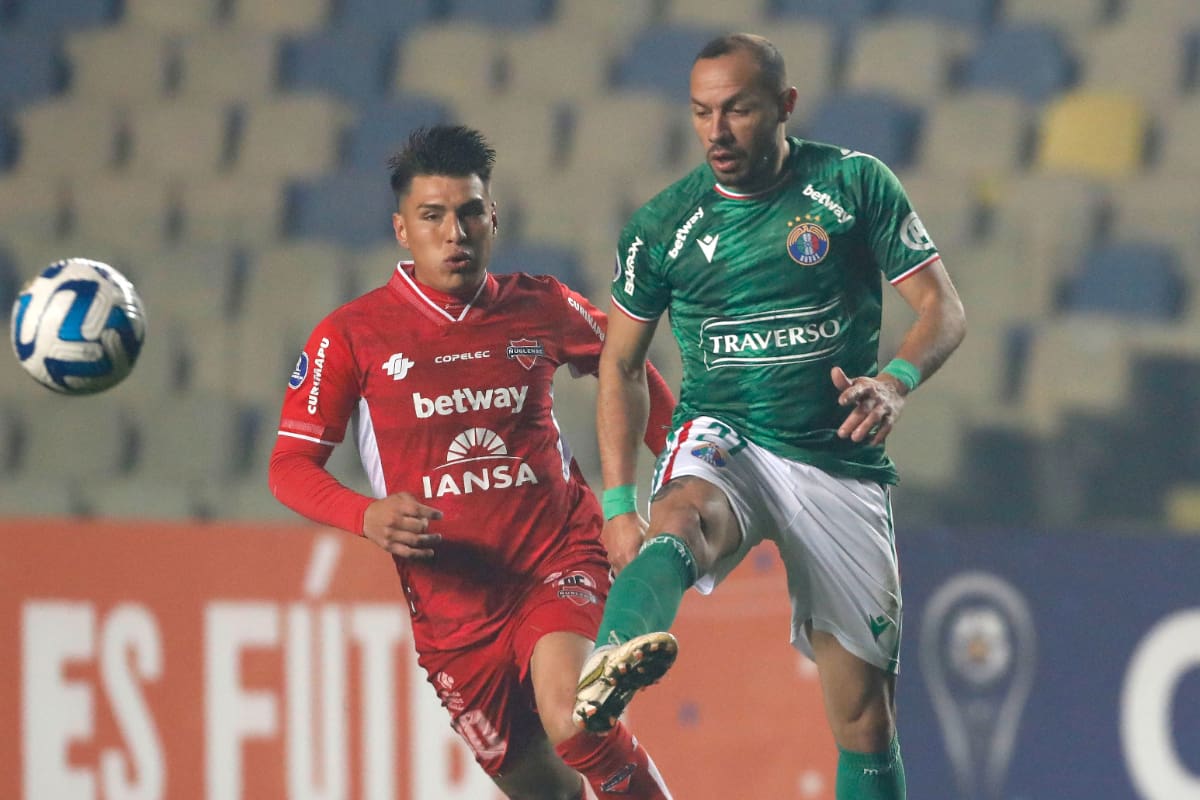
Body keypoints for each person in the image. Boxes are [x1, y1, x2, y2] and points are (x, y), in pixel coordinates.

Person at [573, 34, 967, 800]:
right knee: (680, 516)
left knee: (864, 722)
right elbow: (619, 366)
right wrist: (620, 506)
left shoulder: (854, 185)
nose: (716, 131)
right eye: (701, 113)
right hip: (729, 436)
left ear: (784, 106)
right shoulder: (664, 227)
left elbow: (943, 309)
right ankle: (612, 655)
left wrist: (896, 382)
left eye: (738, 110)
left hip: (837, 459)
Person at [269, 125, 676, 800]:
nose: (454, 233)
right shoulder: (352, 336)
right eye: (433, 216)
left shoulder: (541, 304)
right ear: (403, 230)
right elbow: (289, 465)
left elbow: (624, 366)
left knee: (576, 725)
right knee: (545, 791)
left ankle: (596, 693)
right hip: (454, 615)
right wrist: (364, 513)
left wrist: (684, 471)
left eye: (468, 213)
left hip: (556, 557)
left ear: (493, 218)